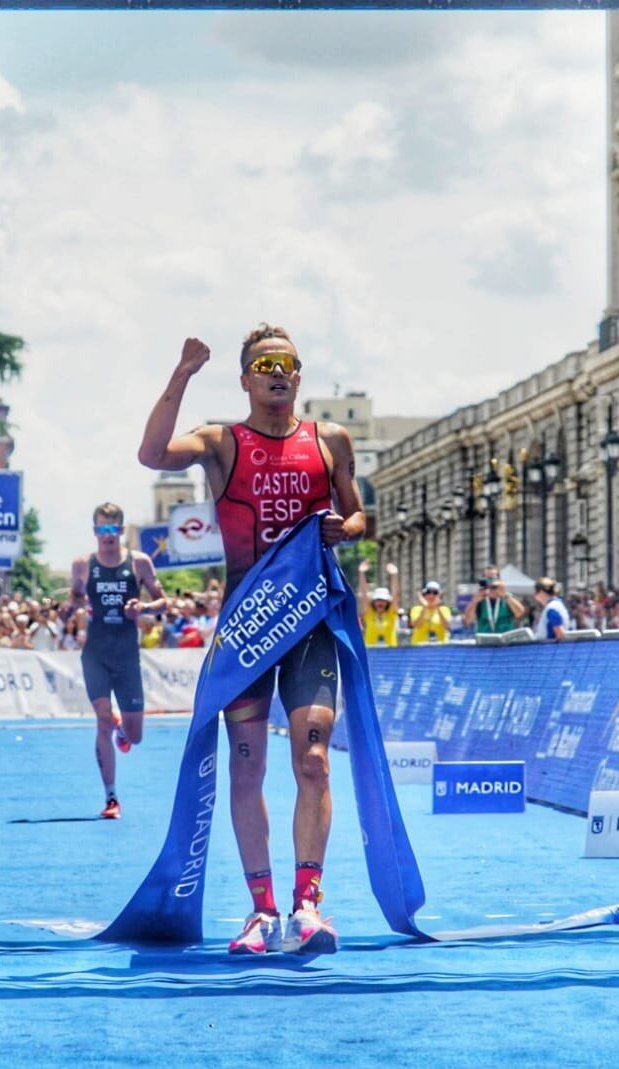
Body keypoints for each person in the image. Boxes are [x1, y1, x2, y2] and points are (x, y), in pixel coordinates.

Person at [137, 324, 365, 956]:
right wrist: (182, 373)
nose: (277, 372)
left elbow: (358, 513)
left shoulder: (330, 440)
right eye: (263, 364)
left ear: (299, 376)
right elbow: (152, 454)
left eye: (288, 364)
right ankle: (261, 912)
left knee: (313, 759)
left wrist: (343, 530)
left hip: (309, 623)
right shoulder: (221, 441)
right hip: (247, 626)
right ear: (244, 378)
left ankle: (308, 906)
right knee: (247, 766)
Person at [68, 503, 167, 820]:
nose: (107, 535)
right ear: (94, 531)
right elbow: (74, 598)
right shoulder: (83, 564)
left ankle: (123, 731)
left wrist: (144, 608)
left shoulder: (139, 562)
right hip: (95, 653)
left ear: (121, 531)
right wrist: (70, 609)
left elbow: (164, 602)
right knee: (101, 720)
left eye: (113, 529)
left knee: (135, 736)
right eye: (102, 529)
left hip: (127, 656)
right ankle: (111, 797)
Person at [466, 566, 527, 634]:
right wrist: (474, 602)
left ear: (499, 580)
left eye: (493, 578)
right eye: (487, 578)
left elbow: (520, 613)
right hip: (485, 641)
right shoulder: (480, 599)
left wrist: (505, 595)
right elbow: (468, 621)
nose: (490, 582)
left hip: (505, 640)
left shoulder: (507, 597)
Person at [356, 559, 401, 648]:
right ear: (373, 601)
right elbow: (364, 594)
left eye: (383, 600)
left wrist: (394, 575)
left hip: (391, 652)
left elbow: (396, 595)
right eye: (378, 600)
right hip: (371, 651)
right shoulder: (369, 613)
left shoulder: (391, 613)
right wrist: (361, 573)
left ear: (387, 602)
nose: (380, 603)